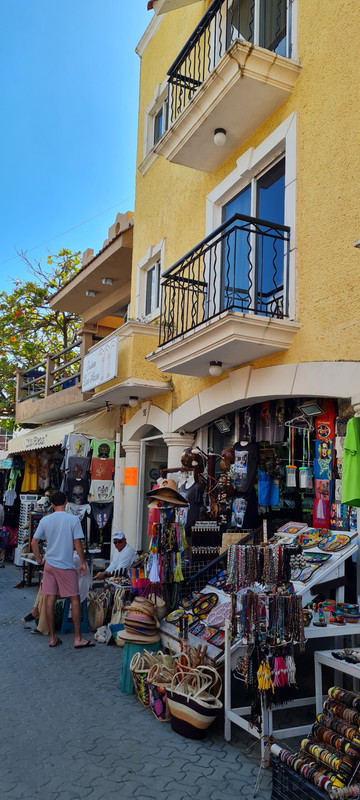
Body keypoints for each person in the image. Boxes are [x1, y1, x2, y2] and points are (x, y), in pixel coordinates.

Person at [31, 489, 95, 649]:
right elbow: (77, 544)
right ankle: (78, 638)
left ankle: (53, 638)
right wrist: (82, 562)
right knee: (74, 598)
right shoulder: (73, 520)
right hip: (65, 565)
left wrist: (39, 558)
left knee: (50, 599)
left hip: (50, 565)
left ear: (51, 504)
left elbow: (34, 542)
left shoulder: (46, 520)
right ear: (66, 502)